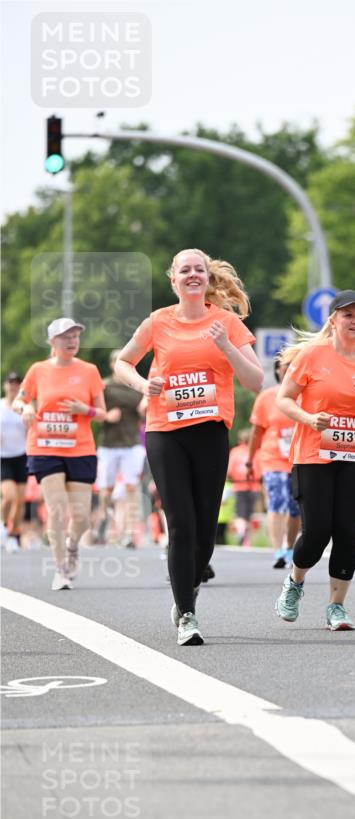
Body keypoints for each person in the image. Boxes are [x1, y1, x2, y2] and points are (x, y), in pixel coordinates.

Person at [115, 248, 263, 645]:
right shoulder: (158, 321)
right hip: (165, 430)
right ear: (173, 280)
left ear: (207, 278)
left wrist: (227, 347)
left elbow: (255, 381)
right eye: (185, 270)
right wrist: (143, 385)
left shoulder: (226, 323)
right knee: (179, 524)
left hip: (211, 432)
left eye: (199, 269)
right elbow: (122, 363)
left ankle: (188, 590)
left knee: (204, 533)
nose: (192, 275)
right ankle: (188, 616)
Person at [274, 289, 355, 630]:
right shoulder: (312, 356)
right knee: (316, 533)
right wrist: (310, 419)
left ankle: (336, 607)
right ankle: (295, 582)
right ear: (333, 320)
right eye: (348, 315)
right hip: (313, 455)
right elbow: (284, 399)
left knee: (345, 532)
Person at [13, 319, 106, 590]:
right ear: (52, 341)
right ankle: (60, 569)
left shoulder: (89, 371)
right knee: (56, 508)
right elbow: (20, 399)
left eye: (75, 335)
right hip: (44, 447)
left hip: (80, 449)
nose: (72, 340)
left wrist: (83, 409)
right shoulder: (37, 370)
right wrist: (25, 409)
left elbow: (102, 413)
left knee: (82, 517)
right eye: (66, 336)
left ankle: (72, 544)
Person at [248, 357, 301, 568]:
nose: (288, 371)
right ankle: (278, 550)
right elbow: (256, 432)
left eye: (293, 368)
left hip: (299, 459)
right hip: (273, 459)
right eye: (284, 368)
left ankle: (290, 547)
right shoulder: (267, 397)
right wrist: (250, 460)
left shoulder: (306, 395)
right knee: (277, 501)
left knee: (296, 507)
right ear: (277, 371)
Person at [95, 349, 147, 546]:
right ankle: (104, 518)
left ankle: (128, 533)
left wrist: (144, 409)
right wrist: (106, 416)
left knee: (131, 487)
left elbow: (146, 411)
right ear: (112, 364)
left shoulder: (138, 385)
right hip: (109, 444)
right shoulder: (104, 387)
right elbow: (93, 413)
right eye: (117, 360)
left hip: (132, 444)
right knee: (106, 490)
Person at [1, 372, 28, 552]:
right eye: (10, 383)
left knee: (20, 500)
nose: (13, 387)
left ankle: (14, 535)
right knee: (9, 496)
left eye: (16, 384)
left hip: (22, 455)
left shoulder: (25, 407)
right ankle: (2, 526)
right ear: (5, 386)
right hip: (3, 457)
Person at [227, 428, 262, 545]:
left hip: (239, 485)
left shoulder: (235, 452)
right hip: (255, 485)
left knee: (240, 513)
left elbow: (229, 470)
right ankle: (248, 538)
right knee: (251, 514)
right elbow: (260, 469)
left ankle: (242, 536)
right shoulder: (257, 451)